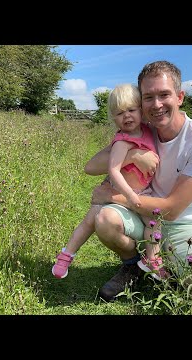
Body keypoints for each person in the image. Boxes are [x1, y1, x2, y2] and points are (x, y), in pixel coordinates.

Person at [85, 60, 192, 302]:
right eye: (148, 97)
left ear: (180, 97)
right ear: (141, 103)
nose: (157, 104)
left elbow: (171, 211)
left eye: (164, 95)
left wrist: (112, 196)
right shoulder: (143, 130)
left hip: (185, 225)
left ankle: (166, 262)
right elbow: (92, 166)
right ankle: (133, 265)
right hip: (144, 218)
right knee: (105, 220)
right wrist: (133, 155)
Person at [52, 83, 166, 280]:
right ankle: (66, 255)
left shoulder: (148, 131)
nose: (127, 116)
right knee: (90, 221)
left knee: (154, 223)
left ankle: (151, 259)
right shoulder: (122, 141)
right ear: (113, 118)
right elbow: (113, 170)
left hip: (143, 192)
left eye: (131, 110)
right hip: (120, 192)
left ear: (141, 110)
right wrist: (129, 195)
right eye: (120, 113)